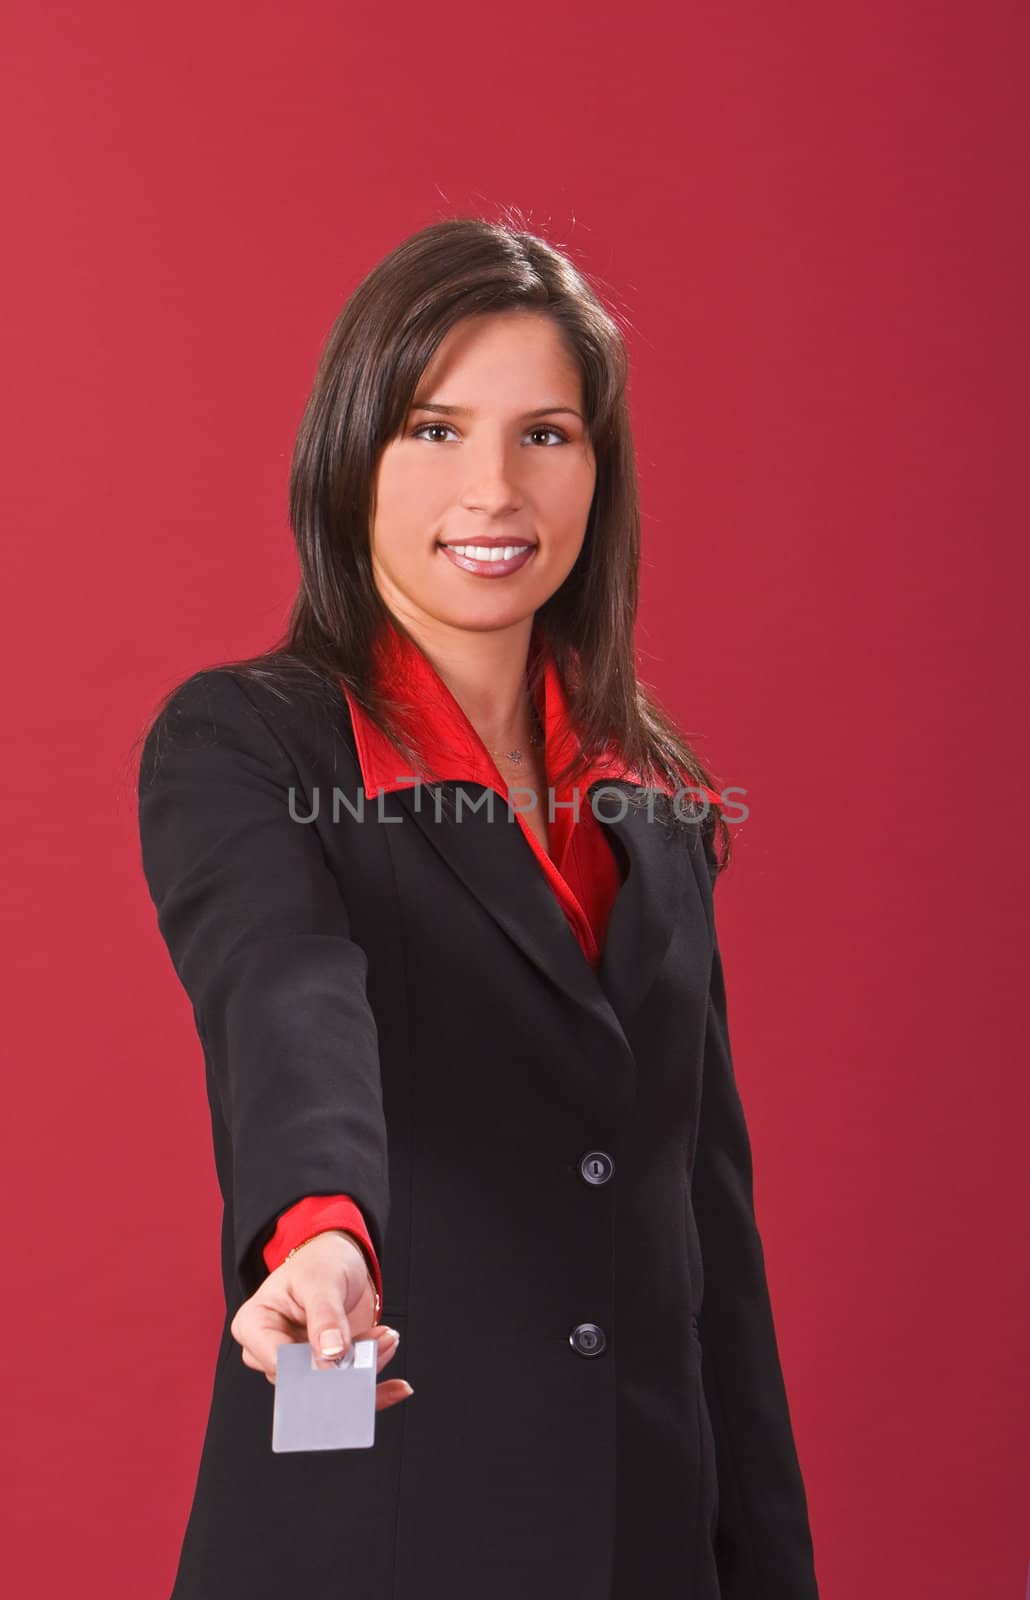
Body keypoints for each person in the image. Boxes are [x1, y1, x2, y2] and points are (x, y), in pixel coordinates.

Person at [136, 216, 820, 1599]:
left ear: (598, 471)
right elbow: (284, 989)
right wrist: (316, 1226)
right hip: (387, 1530)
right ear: (352, 459)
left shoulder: (653, 809)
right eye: (435, 431)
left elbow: (705, 1245)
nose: (494, 489)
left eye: (546, 436)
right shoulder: (249, 745)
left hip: (646, 1541)